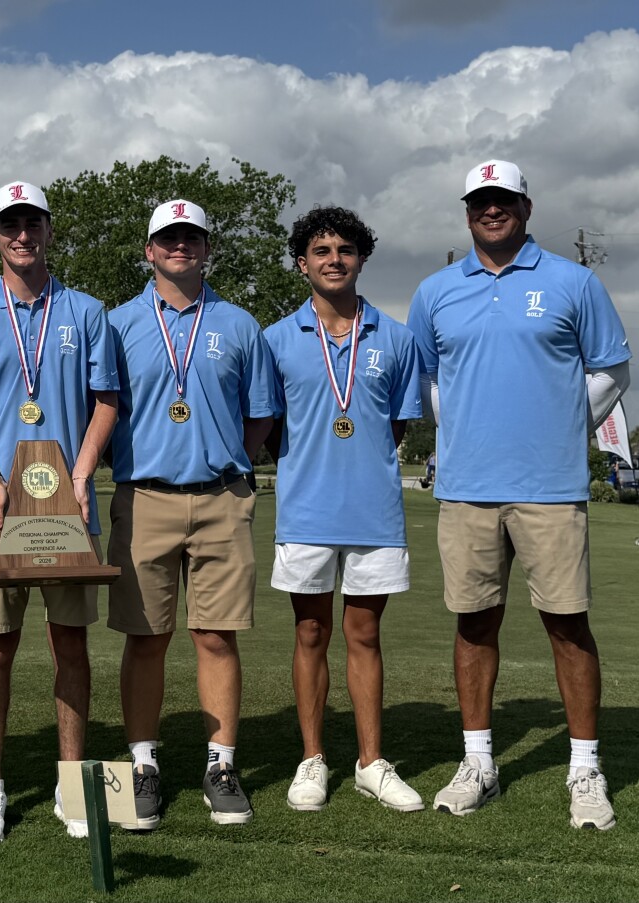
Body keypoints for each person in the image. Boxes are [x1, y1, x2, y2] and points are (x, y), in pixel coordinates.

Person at [407, 160, 631, 830]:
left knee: (567, 622)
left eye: (503, 200)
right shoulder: (437, 290)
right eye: (480, 201)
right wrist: (463, 430)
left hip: (549, 486)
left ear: (525, 207)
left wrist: (565, 427)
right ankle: (479, 762)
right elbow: (426, 379)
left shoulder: (573, 281)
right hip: (467, 487)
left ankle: (585, 768)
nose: (491, 210)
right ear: (468, 210)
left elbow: (612, 368)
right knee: (474, 622)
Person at [0, 181, 118, 844]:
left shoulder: (88, 312)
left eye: (32, 223)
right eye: (9, 225)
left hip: (69, 505)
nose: (22, 235)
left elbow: (106, 400)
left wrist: (84, 466)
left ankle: (73, 784)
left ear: (48, 229)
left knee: (71, 642)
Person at [106, 199, 274, 830]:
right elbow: (102, 407)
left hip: (221, 496)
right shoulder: (116, 324)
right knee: (145, 639)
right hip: (143, 494)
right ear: (149, 251)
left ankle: (220, 765)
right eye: (168, 239)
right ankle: (143, 766)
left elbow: (260, 412)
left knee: (216, 634)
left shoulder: (238, 325)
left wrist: (225, 458)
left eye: (192, 239)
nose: (180, 247)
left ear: (207, 249)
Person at [264, 206, 424, 814]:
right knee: (310, 632)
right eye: (322, 250)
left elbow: (398, 426)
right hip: (305, 511)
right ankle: (312, 760)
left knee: (365, 634)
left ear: (361, 259)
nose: (334, 260)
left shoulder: (397, 338)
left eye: (346, 250)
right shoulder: (276, 339)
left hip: (374, 514)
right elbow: (273, 426)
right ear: (302, 262)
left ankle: (370, 763)